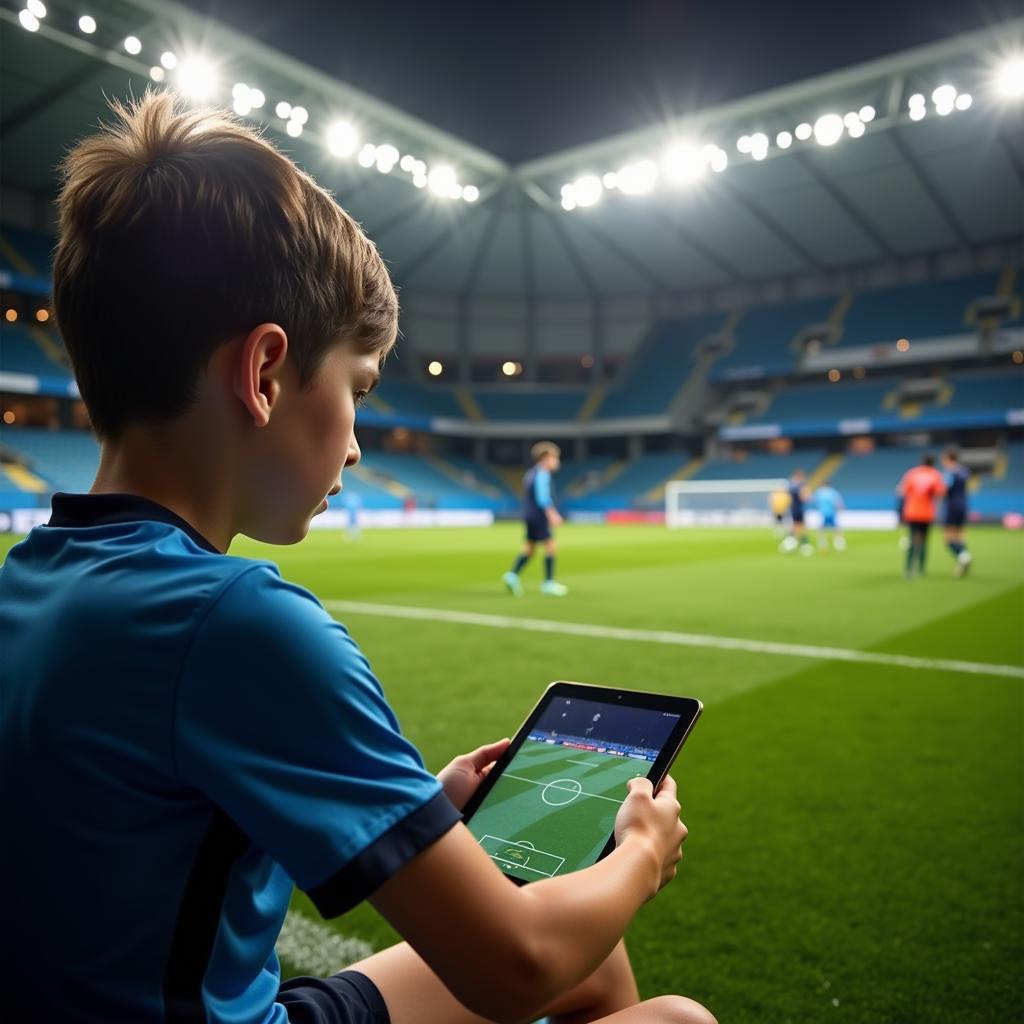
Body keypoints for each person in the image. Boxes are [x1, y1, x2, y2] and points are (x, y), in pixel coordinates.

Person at [0, 94, 714, 1024]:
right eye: (359, 389)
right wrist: (638, 857)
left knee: (598, 966)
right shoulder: (236, 624)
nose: (355, 445)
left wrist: (417, 811)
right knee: (673, 1016)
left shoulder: (28, 579)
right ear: (263, 375)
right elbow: (517, 962)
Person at [503, 441, 570, 596]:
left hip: (529, 515)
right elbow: (543, 498)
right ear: (545, 458)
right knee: (551, 546)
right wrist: (552, 514)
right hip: (539, 516)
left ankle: (512, 575)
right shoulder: (542, 474)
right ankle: (548, 583)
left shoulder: (530, 474)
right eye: (555, 458)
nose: (557, 462)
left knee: (530, 549)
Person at [897, 453, 947, 578]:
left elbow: (901, 491)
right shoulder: (936, 475)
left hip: (912, 512)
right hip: (927, 513)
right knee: (924, 541)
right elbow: (940, 493)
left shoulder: (912, 473)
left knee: (913, 540)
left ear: (922, 461)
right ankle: (921, 569)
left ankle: (908, 569)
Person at [941, 447, 972, 577]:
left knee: (948, 539)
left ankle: (964, 556)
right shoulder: (964, 471)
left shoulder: (949, 472)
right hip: (963, 505)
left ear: (948, 458)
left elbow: (945, 490)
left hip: (952, 507)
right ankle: (962, 561)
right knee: (959, 535)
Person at [779, 469, 813, 555]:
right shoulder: (801, 486)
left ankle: (793, 543)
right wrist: (807, 496)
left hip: (793, 508)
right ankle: (797, 544)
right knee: (800, 527)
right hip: (799, 509)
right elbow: (805, 498)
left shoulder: (791, 486)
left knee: (796, 526)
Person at [813, 482, 846, 551]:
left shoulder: (819, 492)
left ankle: (822, 542)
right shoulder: (832, 492)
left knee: (822, 528)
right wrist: (841, 508)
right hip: (831, 512)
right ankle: (839, 542)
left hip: (823, 513)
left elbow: (815, 502)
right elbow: (838, 502)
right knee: (835, 527)